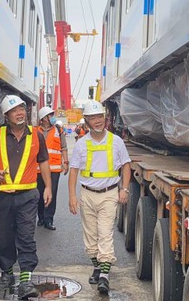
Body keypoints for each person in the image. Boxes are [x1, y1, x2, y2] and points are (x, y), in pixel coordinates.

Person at [0, 95, 52, 300]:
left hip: (28, 196)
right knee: (4, 237)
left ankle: (25, 279)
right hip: (3, 196)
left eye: (22, 109)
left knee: (26, 237)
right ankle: (6, 274)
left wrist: (48, 187)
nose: (20, 113)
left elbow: (44, 162)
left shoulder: (36, 136)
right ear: (6, 116)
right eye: (15, 111)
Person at [68, 100, 131, 295]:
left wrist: (125, 189)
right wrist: (72, 196)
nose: (98, 121)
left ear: (105, 118)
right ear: (86, 121)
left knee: (105, 234)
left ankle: (104, 276)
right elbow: (73, 171)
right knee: (90, 237)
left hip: (109, 194)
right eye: (93, 118)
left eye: (100, 117)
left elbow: (126, 165)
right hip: (87, 194)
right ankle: (97, 266)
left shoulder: (116, 141)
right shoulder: (81, 144)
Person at [35, 106, 68, 230]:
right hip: (38, 169)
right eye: (50, 115)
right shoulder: (35, 131)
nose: (53, 118)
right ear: (44, 118)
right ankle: (41, 217)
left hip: (54, 169)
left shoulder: (58, 131)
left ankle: (48, 219)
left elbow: (63, 147)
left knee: (51, 193)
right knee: (38, 193)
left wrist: (66, 162)